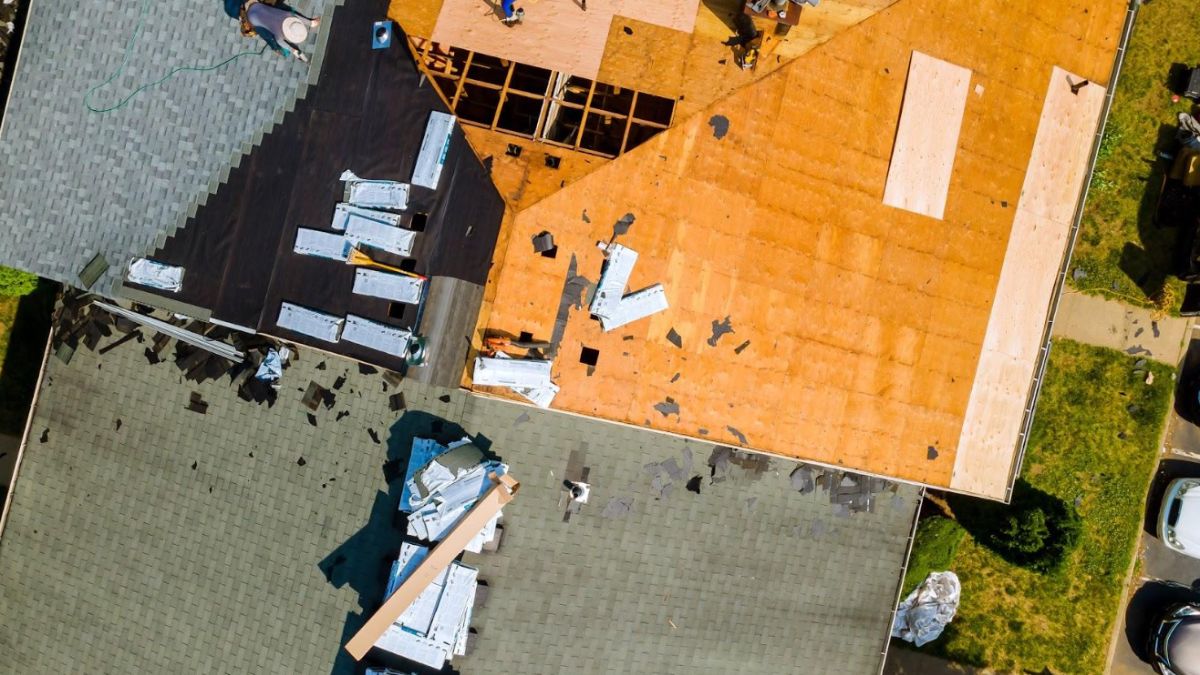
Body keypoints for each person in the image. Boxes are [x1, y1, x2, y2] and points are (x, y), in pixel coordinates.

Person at [231, 1, 320, 62]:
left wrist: (310, 23)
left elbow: (297, 17)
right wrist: (292, 50)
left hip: (255, 6)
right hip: (253, 19)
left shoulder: (288, 15)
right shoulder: (279, 35)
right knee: (267, 35)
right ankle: (276, 49)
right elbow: (279, 42)